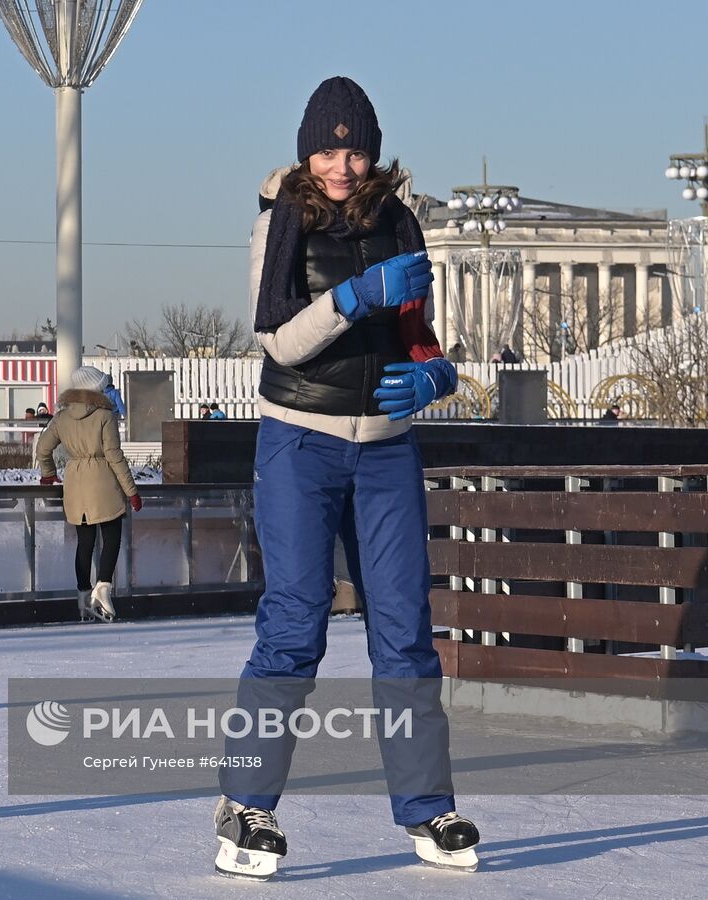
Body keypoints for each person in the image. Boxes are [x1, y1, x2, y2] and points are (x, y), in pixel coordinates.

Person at [213, 77, 477, 880]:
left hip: (388, 449)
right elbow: (280, 341)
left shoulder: (402, 220)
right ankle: (245, 808)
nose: (343, 165)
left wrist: (438, 377)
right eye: (328, 149)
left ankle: (429, 811)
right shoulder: (282, 222)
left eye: (356, 148)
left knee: (403, 629)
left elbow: (420, 333)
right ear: (305, 152)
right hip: (302, 442)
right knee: (296, 624)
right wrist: (355, 296)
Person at [35, 366, 142, 623]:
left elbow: (42, 448)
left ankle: (83, 594)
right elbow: (114, 456)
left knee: (85, 541)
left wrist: (49, 473)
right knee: (112, 536)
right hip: (103, 480)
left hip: (75, 481)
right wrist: (132, 491)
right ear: (95, 388)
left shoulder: (61, 418)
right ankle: (103, 587)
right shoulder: (105, 416)